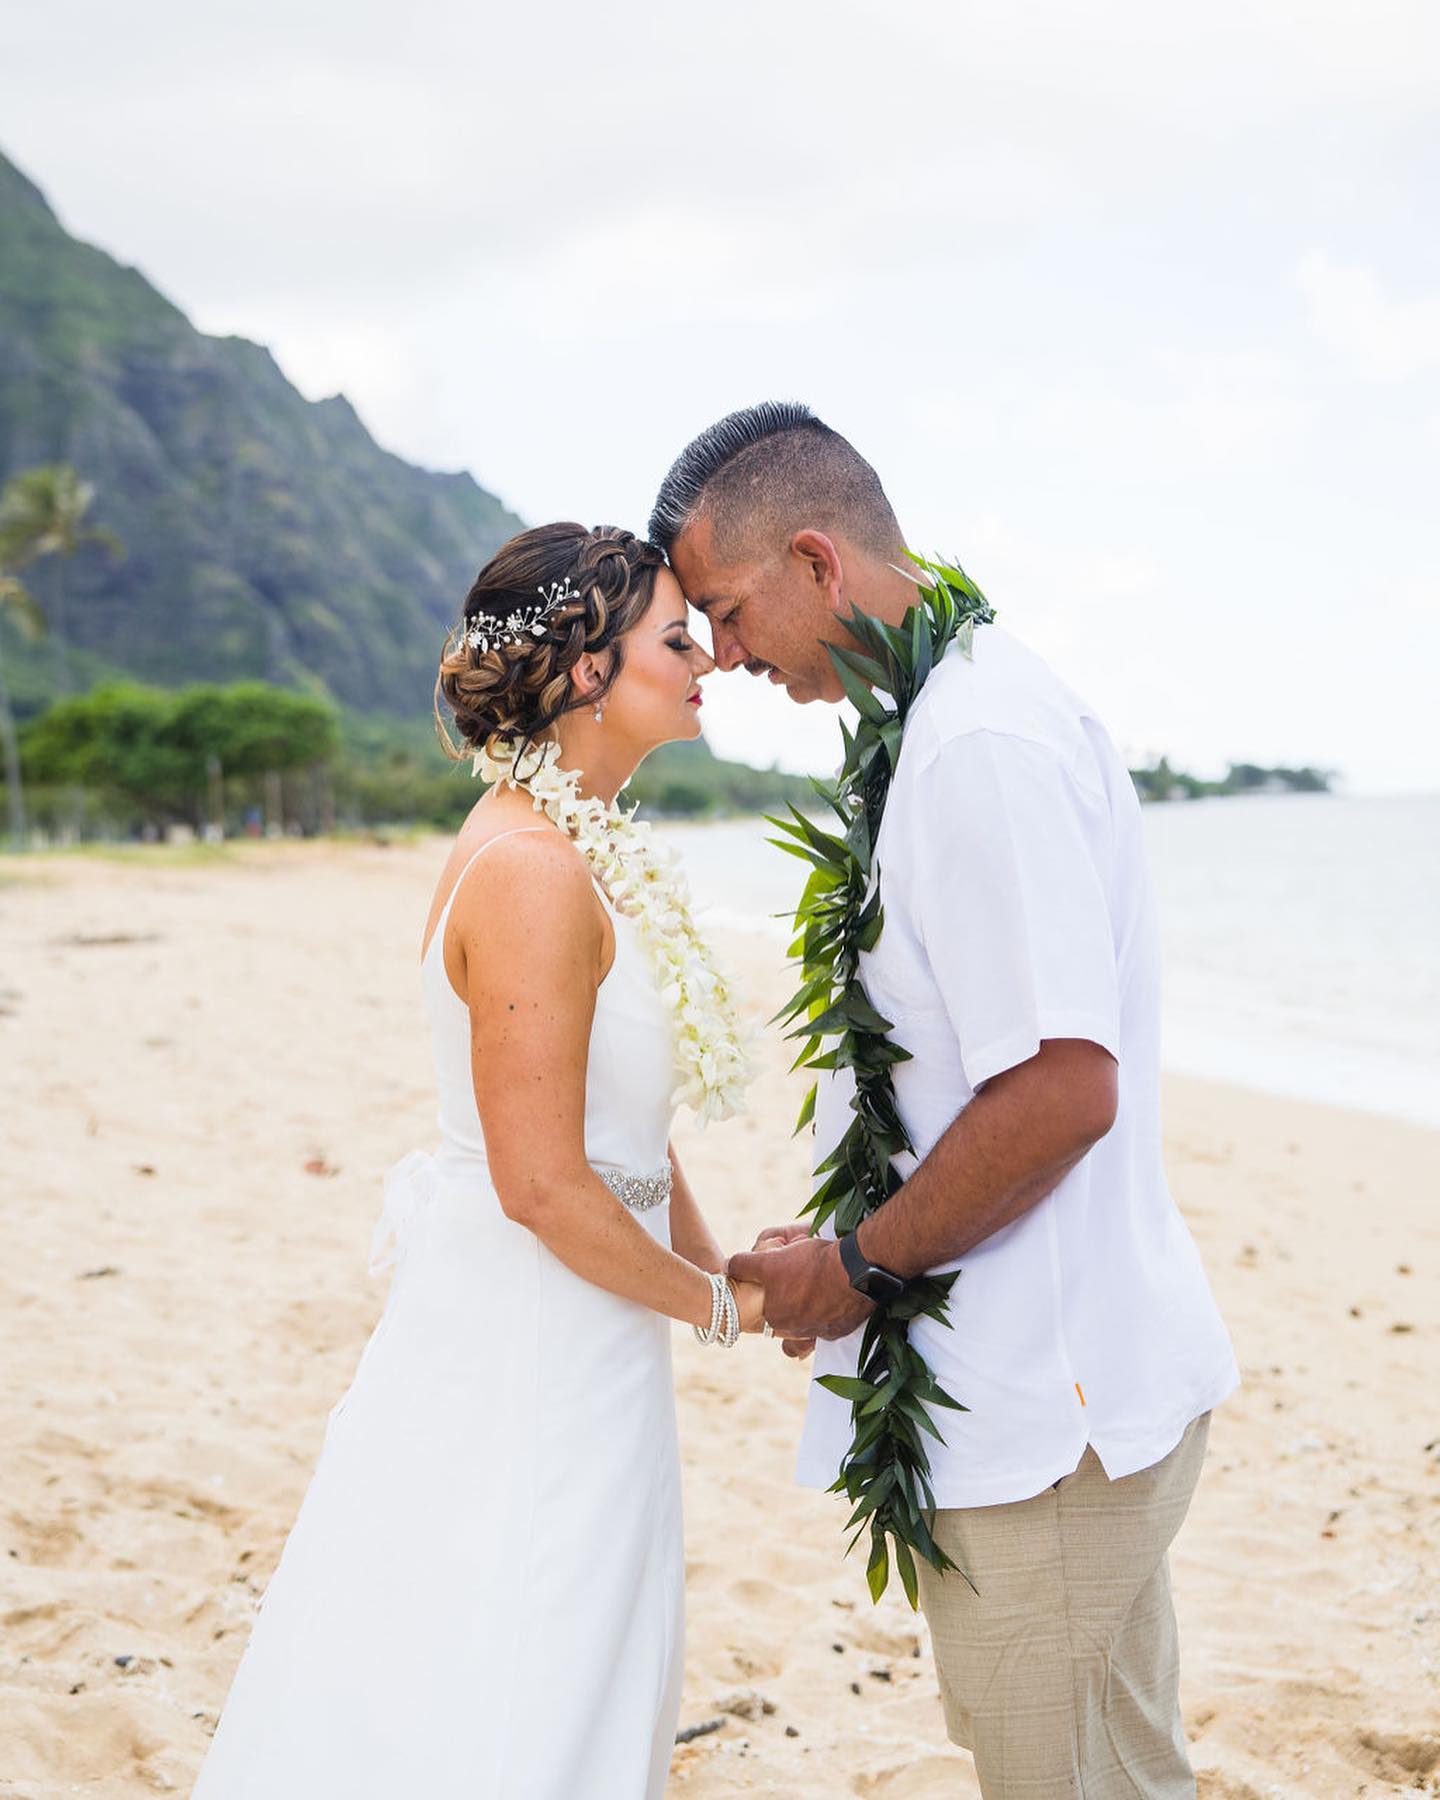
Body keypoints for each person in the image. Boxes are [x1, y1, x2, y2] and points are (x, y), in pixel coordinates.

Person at [650, 403, 1240, 1799]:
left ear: (816, 561)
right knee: (1114, 1766)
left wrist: (858, 1266)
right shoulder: (950, 718)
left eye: (729, 614)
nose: (725, 657)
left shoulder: (975, 744)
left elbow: (1060, 1091)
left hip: (1053, 1406)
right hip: (1042, 1389)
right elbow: (973, 1075)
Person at [192, 523, 766, 1800]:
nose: (710, 656)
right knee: (522, 1651)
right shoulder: (531, 872)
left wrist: (713, 1256)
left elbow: (620, 1129)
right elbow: (542, 1182)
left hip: (587, 1314)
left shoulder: (583, 850)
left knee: (575, 1645)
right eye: (678, 638)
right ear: (581, 674)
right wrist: (718, 1306)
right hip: (535, 1332)